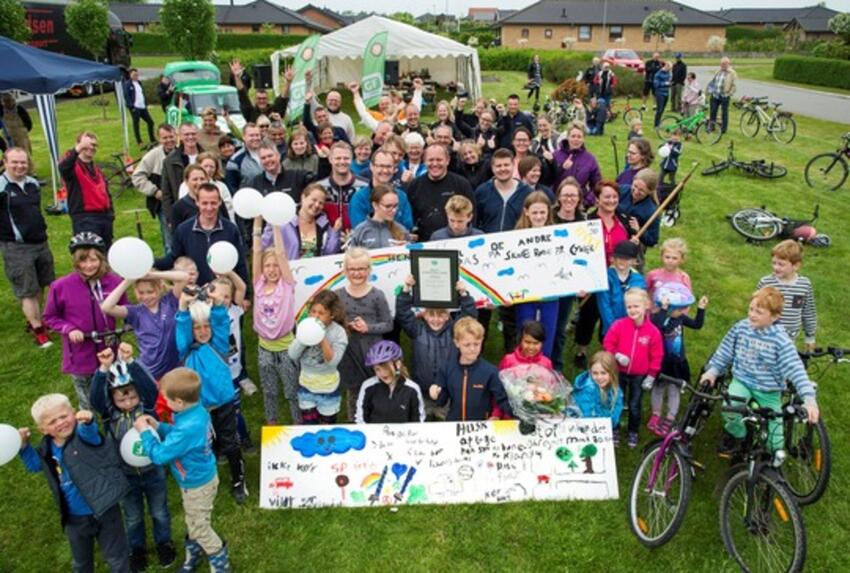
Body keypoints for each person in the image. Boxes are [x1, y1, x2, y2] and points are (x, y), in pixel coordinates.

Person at [18, 394, 130, 572]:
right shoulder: (47, 450)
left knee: (116, 557)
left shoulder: (83, 435)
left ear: (73, 413)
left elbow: (90, 432)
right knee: (81, 562)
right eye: (53, 421)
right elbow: (35, 465)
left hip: (105, 510)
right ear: (43, 430)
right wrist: (24, 446)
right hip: (74, 518)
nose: (61, 422)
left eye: (63, 416)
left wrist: (87, 421)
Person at [701, 287, 819, 455]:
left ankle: (769, 459)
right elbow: (725, 351)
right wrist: (713, 371)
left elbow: (795, 368)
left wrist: (809, 399)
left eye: (759, 312)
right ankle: (738, 434)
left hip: (769, 390)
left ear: (775, 317)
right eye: (751, 309)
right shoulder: (741, 328)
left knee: (775, 442)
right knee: (730, 408)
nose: (752, 315)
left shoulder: (781, 340)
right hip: (742, 381)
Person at [135, 368, 232, 571]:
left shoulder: (188, 427)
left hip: (197, 484)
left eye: (166, 400)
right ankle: (194, 551)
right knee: (194, 519)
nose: (165, 403)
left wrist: (145, 433)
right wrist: (160, 427)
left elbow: (160, 455)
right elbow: (179, 437)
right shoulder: (196, 413)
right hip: (199, 477)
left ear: (179, 402)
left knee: (199, 526)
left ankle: (219, 559)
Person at [89, 344, 176, 571]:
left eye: (132, 398)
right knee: (133, 516)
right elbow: (96, 401)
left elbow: (150, 390)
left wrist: (131, 364)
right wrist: (103, 370)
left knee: (160, 511)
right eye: (121, 400)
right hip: (126, 475)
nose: (128, 403)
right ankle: (136, 549)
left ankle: (164, 543)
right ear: (113, 399)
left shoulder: (146, 409)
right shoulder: (110, 416)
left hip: (152, 471)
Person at [174, 288, 247, 504]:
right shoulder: (186, 350)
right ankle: (208, 480)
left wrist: (216, 305)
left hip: (223, 402)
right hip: (199, 407)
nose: (203, 331)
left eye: (206, 326)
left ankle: (238, 479)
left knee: (230, 443)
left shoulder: (219, 344)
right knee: (206, 445)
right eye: (197, 328)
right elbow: (182, 327)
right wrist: (182, 307)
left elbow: (221, 321)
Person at [43, 233, 127, 409]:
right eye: (83, 261)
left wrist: (128, 324)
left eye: (93, 260)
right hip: (80, 353)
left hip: (108, 349)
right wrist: (68, 328)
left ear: (102, 259)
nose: (88, 266)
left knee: (114, 397)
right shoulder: (61, 286)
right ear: (75, 261)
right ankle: (89, 432)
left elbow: (127, 309)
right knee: (87, 403)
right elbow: (50, 317)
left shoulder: (115, 282)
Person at [474, 149, 537, 350]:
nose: (502, 169)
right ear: (492, 168)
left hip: (514, 260)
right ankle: (477, 352)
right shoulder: (482, 191)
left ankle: (512, 355)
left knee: (511, 312)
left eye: (506, 165)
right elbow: (476, 222)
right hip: (487, 259)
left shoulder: (527, 193)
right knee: (482, 310)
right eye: (498, 166)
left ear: (514, 166)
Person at [396, 275, 477, 420]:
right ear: (424, 315)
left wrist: (464, 295)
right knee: (419, 423)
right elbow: (403, 315)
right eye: (431, 315)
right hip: (422, 388)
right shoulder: (416, 329)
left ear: (448, 316)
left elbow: (469, 316)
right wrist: (406, 289)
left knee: (449, 423)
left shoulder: (455, 330)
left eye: (441, 315)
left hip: (447, 390)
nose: (436, 319)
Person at [573, 180, 632, 369]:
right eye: (606, 196)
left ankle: (607, 349)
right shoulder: (588, 221)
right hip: (593, 276)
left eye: (615, 196)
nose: (611, 200)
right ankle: (581, 349)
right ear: (597, 199)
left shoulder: (624, 220)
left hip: (616, 277)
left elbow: (632, 247)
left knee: (612, 313)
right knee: (588, 314)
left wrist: (636, 235)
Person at [0, 147, 55, 348]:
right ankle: (38, 329)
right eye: (14, 162)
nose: (19, 166)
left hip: (40, 242)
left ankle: (35, 318)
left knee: (42, 283)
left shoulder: (32, 184)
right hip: (16, 246)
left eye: (23, 162)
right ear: (5, 162)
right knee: (27, 289)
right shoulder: (2, 187)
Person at [333, 248, 393, 420]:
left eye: (361, 269)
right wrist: (346, 326)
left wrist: (368, 328)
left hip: (373, 353)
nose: (357, 273)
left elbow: (388, 324)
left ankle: (377, 420)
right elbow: (333, 326)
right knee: (354, 391)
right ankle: (355, 421)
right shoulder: (338, 295)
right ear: (345, 270)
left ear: (369, 270)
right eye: (352, 269)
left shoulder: (377, 295)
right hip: (350, 353)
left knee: (377, 388)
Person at [99, 269, 187, 384]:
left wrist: (152, 274)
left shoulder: (170, 301)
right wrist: (128, 281)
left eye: (150, 292)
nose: (146, 297)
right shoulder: (135, 312)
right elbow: (106, 307)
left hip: (176, 368)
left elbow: (184, 277)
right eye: (141, 293)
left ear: (160, 288)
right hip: (150, 371)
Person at [252, 217, 299, 425]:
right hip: (264, 348)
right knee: (269, 390)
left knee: (292, 391)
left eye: (275, 266)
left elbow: (280, 253)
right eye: (267, 266)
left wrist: (275, 223)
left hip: (286, 348)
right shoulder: (258, 284)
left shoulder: (287, 284)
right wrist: (257, 221)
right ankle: (272, 423)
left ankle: (299, 423)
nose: (271, 269)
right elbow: (256, 253)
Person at [155, 184, 249, 289]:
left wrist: (246, 296)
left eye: (213, 203)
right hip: (196, 292)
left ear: (220, 202)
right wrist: (152, 263)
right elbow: (174, 257)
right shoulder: (183, 230)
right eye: (205, 203)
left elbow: (240, 262)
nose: (209, 208)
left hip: (224, 293)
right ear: (197, 202)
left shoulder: (230, 229)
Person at [602, 288, 663, 448]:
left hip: (639, 376)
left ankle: (633, 431)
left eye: (636, 306)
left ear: (646, 306)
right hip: (618, 373)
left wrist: (651, 375)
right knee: (616, 401)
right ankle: (613, 429)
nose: (632, 310)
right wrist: (616, 355)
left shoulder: (653, 332)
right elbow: (608, 343)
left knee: (635, 404)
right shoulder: (619, 325)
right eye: (629, 307)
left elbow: (657, 355)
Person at [648, 286, 708, 436]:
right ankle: (656, 414)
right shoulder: (657, 318)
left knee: (674, 390)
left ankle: (670, 417)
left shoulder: (680, 318)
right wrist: (663, 309)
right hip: (661, 362)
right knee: (658, 388)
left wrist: (701, 309)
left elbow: (697, 325)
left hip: (677, 363)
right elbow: (658, 326)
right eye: (679, 308)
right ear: (669, 308)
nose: (683, 311)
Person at [429, 317, 513, 421]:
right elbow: (441, 401)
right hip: (455, 424)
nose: (472, 349)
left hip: (480, 427)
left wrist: (522, 414)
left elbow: (502, 400)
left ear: (482, 340)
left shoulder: (490, 371)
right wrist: (435, 394)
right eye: (467, 345)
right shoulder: (446, 369)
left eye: (476, 344)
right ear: (457, 343)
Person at [287, 290, 349, 424]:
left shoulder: (339, 333)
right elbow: (292, 354)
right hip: (306, 387)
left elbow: (332, 362)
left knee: (326, 429)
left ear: (332, 315)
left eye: (321, 313)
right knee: (310, 425)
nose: (315, 316)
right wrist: (304, 337)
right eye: (313, 311)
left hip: (328, 389)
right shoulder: (305, 327)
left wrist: (321, 337)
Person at [512, 192, 559, 358]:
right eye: (535, 212)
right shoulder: (515, 237)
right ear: (526, 212)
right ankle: (521, 370)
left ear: (548, 212)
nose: (539, 217)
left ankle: (544, 371)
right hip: (526, 296)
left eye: (542, 212)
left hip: (550, 296)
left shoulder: (558, 236)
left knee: (547, 334)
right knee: (525, 331)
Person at [550, 178, 586, 372]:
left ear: (579, 198)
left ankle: (556, 365)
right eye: (566, 195)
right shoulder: (549, 218)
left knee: (560, 327)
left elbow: (587, 257)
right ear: (559, 197)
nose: (569, 199)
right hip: (546, 280)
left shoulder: (585, 223)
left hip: (568, 284)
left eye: (573, 195)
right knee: (543, 325)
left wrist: (583, 282)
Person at [756, 240, 817, 350]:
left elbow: (808, 312)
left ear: (796, 265)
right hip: (765, 335)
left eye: (781, 264)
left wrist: (810, 337)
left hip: (789, 339)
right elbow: (756, 309)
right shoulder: (766, 283)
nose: (776, 267)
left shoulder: (804, 285)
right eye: (774, 263)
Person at [406, 144, 475, 241]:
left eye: (439, 160)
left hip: (456, 243)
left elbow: (473, 215)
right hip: (424, 245)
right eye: (430, 160)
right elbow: (409, 218)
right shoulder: (414, 186)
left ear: (447, 160)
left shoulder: (461, 184)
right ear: (424, 161)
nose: (434, 164)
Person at [59, 132, 115, 248]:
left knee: (105, 255)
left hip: (104, 217)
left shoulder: (96, 168)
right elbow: (64, 167)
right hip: (85, 219)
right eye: (87, 145)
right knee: (90, 255)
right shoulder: (73, 167)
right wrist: (78, 149)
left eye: (94, 145)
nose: (91, 148)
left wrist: (111, 213)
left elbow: (105, 192)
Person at [132, 124, 178, 254]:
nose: (169, 140)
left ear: (176, 135)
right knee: (170, 240)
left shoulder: (182, 152)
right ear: (159, 139)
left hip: (181, 202)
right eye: (165, 138)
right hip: (164, 204)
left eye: (171, 136)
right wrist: (154, 191)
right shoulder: (152, 156)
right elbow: (137, 176)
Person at [355, 341, 426, 424]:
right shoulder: (368, 387)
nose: (382, 373)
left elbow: (418, 421)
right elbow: (361, 419)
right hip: (375, 435)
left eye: (385, 367)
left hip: (404, 435)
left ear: (398, 364)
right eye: (377, 369)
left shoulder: (412, 389)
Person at [348, 149, 414, 231]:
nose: (385, 170)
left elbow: (407, 228)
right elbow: (361, 232)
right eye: (381, 166)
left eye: (389, 166)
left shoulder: (401, 197)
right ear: (371, 167)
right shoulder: (359, 199)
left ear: (394, 169)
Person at [161, 123, 204, 238]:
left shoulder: (207, 157)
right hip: (182, 211)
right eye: (186, 134)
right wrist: (171, 217)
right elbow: (166, 192)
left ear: (198, 135)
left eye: (193, 134)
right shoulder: (170, 161)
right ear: (180, 136)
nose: (190, 137)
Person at [597, 240, 647, 337]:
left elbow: (641, 306)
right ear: (612, 258)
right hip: (610, 328)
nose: (622, 261)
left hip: (632, 327)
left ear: (633, 261)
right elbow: (604, 306)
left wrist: (635, 325)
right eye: (619, 257)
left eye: (627, 258)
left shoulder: (638, 280)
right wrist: (614, 329)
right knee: (610, 351)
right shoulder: (605, 278)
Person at [315, 142, 368, 231]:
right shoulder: (319, 187)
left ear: (352, 160)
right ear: (330, 159)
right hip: (327, 240)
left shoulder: (365, 186)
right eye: (338, 158)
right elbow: (312, 216)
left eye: (346, 158)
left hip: (358, 240)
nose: (342, 162)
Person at [572, 351, 624, 438]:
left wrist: (609, 423)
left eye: (603, 373)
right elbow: (587, 417)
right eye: (595, 373)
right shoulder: (587, 389)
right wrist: (604, 425)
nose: (599, 377)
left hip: (602, 430)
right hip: (583, 431)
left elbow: (616, 411)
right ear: (590, 372)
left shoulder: (616, 390)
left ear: (612, 373)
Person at [553, 122, 602, 207]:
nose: (576, 139)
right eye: (573, 136)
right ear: (567, 137)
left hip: (580, 204)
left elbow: (597, 184)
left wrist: (587, 201)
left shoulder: (590, 159)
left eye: (579, 137)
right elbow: (548, 180)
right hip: (557, 203)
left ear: (584, 139)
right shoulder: (556, 155)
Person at [248, 142, 312, 206]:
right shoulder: (255, 183)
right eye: (263, 158)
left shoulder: (297, 176)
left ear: (278, 156)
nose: (267, 160)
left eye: (270, 156)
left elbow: (318, 183)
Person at [619, 168, 661, 265]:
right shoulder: (622, 190)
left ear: (650, 191)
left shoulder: (651, 211)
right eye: (635, 186)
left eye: (641, 190)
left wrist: (640, 230)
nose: (636, 191)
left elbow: (653, 240)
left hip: (632, 248)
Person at [645, 237, 692, 306]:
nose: (670, 261)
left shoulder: (684, 278)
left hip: (674, 314)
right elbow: (644, 292)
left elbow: (687, 299)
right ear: (661, 257)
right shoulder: (653, 275)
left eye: (674, 258)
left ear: (682, 259)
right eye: (667, 257)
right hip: (654, 313)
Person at [225, 123, 264, 192]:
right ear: (244, 137)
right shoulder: (235, 161)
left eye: (257, 135)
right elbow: (232, 187)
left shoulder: (269, 154)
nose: (255, 138)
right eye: (251, 135)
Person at [124, 68, 156, 146]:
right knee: (136, 124)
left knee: (150, 122)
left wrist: (145, 104)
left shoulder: (139, 83)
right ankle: (139, 141)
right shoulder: (128, 84)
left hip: (142, 107)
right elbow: (126, 96)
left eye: (137, 74)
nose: (136, 76)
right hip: (135, 107)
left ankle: (152, 139)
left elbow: (141, 94)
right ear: (130, 75)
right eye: (134, 75)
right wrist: (131, 107)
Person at [707, 57, 737, 134]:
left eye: (724, 64)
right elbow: (713, 82)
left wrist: (729, 94)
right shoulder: (718, 71)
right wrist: (710, 90)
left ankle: (723, 130)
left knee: (724, 113)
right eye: (721, 64)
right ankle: (711, 127)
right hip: (715, 95)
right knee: (713, 112)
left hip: (724, 96)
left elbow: (734, 86)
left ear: (728, 64)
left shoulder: (732, 73)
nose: (722, 65)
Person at [592, 63, 617, 135]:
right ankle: (598, 117)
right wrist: (598, 82)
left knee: (607, 105)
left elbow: (614, 81)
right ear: (602, 67)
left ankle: (608, 117)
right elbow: (595, 80)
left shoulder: (611, 73)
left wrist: (612, 86)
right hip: (600, 91)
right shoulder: (599, 73)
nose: (606, 68)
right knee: (599, 105)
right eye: (605, 67)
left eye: (607, 67)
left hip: (607, 92)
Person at [652, 62, 672, 128]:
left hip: (666, 93)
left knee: (662, 110)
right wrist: (665, 83)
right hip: (660, 93)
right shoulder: (658, 74)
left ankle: (659, 122)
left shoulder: (668, 73)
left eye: (670, 69)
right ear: (666, 66)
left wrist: (670, 84)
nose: (670, 70)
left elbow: (669, 82)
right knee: (659, 110)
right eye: (669, 68)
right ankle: (656, 124)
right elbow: (656, 84)